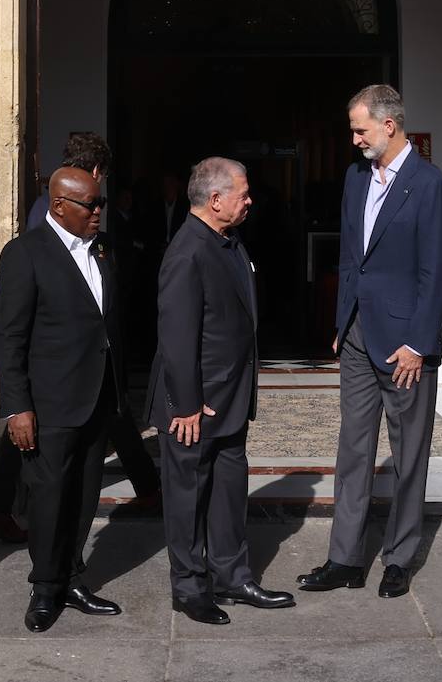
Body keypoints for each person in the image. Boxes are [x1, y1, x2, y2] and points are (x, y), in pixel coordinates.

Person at [299, 84, 442, 598]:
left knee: (409, 454)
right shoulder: (354, 178)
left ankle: (399, 558)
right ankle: (344, 558)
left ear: (389, 126)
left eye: (359, 129)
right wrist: (342, 320)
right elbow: (351, 255)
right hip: (359, 336)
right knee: (353, 449)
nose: (353, 138)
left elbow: (439, 271)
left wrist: (418, 341)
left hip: (406, 345)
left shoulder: (430, 184)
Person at [0, 133, 160, 545]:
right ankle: (47, 576)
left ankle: (59, 554)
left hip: (92, 370)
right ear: (94, 173)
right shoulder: (43, 231)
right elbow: (12, 330)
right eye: (95, 198)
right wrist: (17, 403)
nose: (99, 207)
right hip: (58, 377)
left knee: (90, 464)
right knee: (52, 481)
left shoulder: (88, 231)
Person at [149, 157, 295, 625]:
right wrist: (186, 404)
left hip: (229, 398)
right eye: (243, 192)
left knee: (230, 490)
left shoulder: (228, 241)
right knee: (188, 495)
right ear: (215, 200)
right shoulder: (187, 250)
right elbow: (176, 336)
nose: (250, 199)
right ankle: (189, 587)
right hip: (196, 404)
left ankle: (233, 577)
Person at [0, 167, 129, 633]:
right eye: (89, 205)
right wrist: (17, 406)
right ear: (58, 206)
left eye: (101, 204)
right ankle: (44, 587)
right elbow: (9, 339)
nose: (98, 212)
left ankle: (72, 576)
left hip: (96, 398)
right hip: (49, 405)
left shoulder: (102, 249)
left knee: (84, 495)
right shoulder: (25, 255)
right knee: (50, 499)